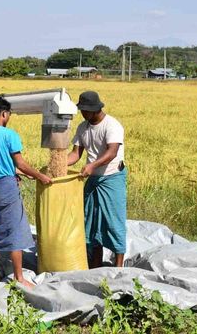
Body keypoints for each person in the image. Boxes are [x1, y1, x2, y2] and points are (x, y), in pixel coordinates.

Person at [0, 96, 52, 289]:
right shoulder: (9, 135)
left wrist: (16, 172)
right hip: (7, 187)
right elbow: (20, 163)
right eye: (8, 114)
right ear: (3, 114)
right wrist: (39, 176)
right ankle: (19, 277)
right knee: (15, 230)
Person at [67, 91, 127, 268]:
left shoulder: (112, 125)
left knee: (113, 221)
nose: (83, 113)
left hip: (111, 178)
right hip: (93, 179)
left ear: (95, 109)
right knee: (90, 221)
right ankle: (95, 262)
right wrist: (59, 165)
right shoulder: (83, 128)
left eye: (85, 110)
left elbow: (112, 152)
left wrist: (92, 166)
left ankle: (119, 266)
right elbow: (75, 154)